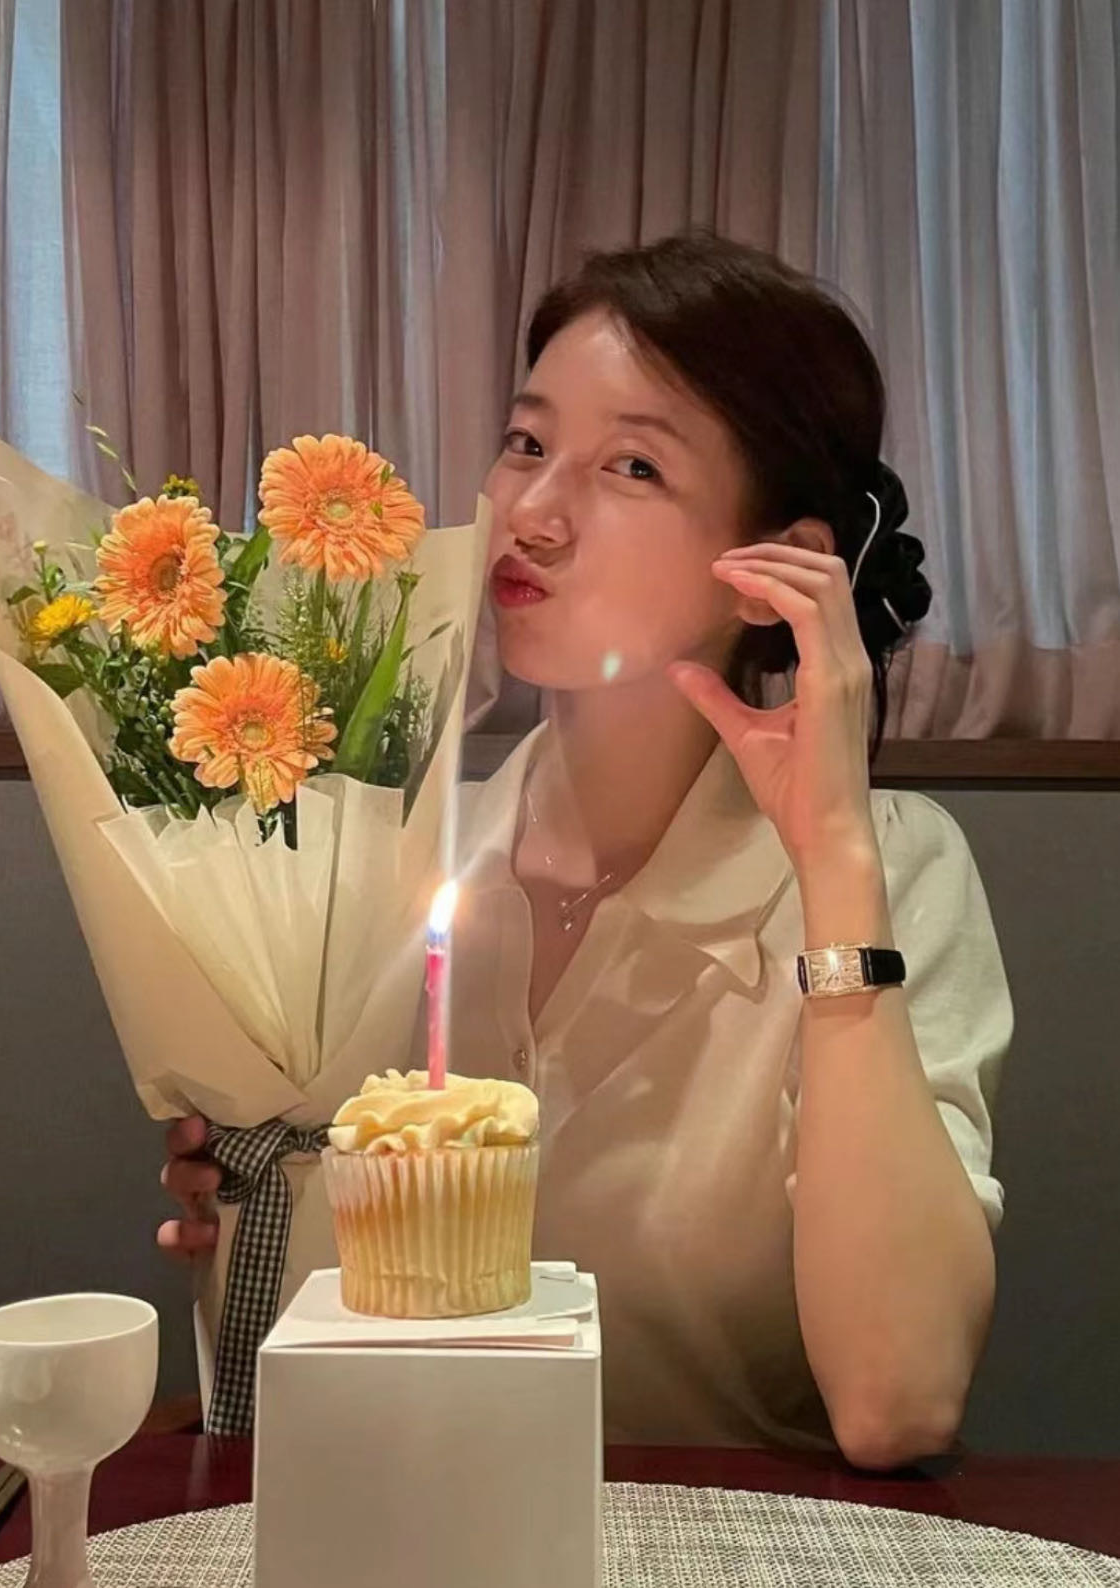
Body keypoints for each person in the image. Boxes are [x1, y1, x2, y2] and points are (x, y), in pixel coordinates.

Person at [159, 231, 1010, 1469]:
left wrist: (832, 861)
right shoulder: (389, 862)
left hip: (734, 1539)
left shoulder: (891, 869)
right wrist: (251, 1201)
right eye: (526, 443)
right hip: (407, 1515)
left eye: (632, 465)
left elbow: (901, 1400)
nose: (533, 514)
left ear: (776, 569)